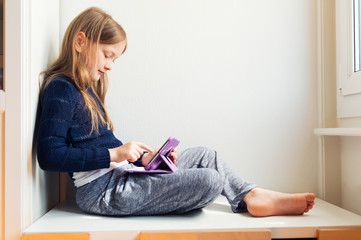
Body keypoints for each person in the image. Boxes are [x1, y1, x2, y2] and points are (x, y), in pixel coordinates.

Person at [36, 7, 315, 217]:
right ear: (80, 42)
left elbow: (96, 146)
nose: (110, 65)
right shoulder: (61, 88)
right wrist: (116, 154)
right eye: (107, 54)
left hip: (121, 174)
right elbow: (49, 156)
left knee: (208, 156)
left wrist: (144, 159)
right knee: (210, 180)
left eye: (114, 59)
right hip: (102, 191)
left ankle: (251, 194)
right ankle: (249, 196)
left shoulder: (87, 90)